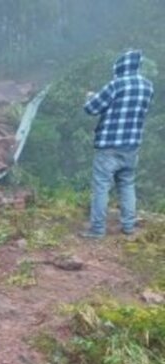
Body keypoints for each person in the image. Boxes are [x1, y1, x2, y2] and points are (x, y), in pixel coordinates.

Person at [82, 50, 154, 239]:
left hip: (108, 147)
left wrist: (90, 96)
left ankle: (97, 230)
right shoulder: (148, 86)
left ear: (120, 66)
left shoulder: (116, 85)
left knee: (101, 186)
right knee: (127, 184)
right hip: (131, 146)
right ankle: (129, 227)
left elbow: (91, 109)